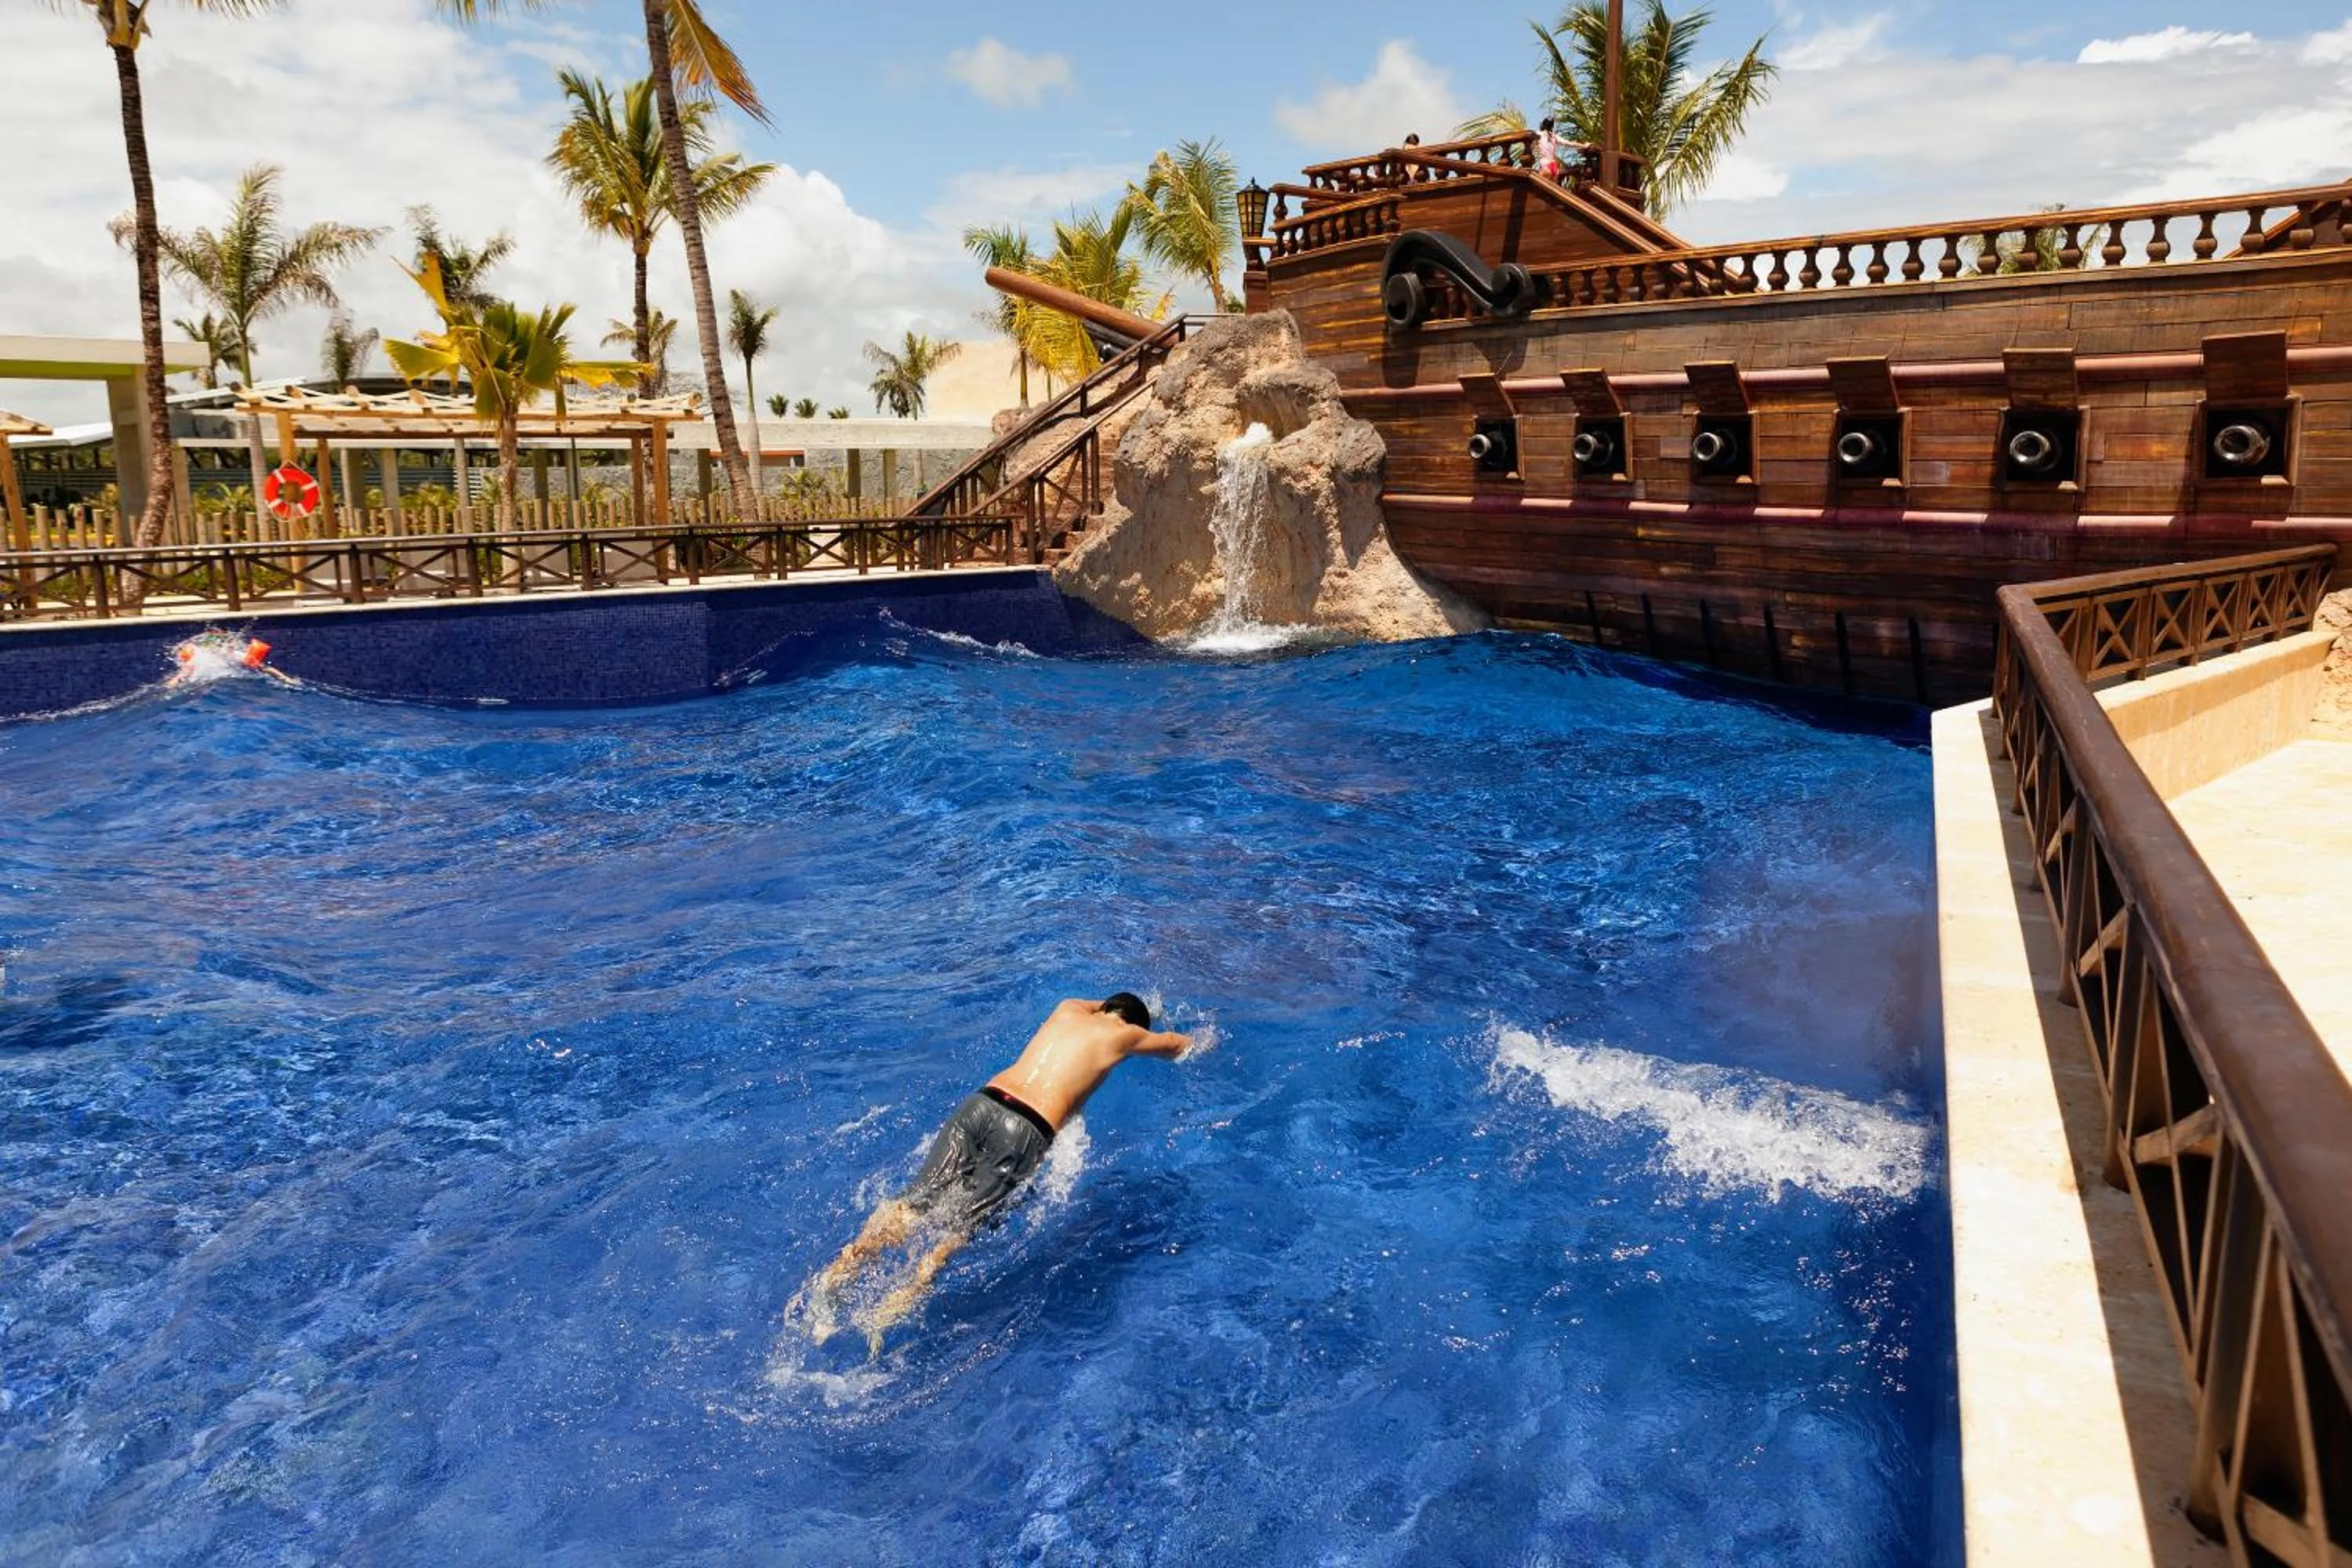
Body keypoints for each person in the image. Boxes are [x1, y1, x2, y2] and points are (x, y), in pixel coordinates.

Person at [808, 994, 1192, 1346]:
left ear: (1105, 1008)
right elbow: (1177, 1045)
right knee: (960, 1228)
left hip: (982, 1104)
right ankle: (894, 1306)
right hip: (1025, 1128)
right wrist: (1205, 1041)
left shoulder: (1067, 1009)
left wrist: (1145, 1007)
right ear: (1133, 1025)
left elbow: (1097, 1007)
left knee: (913, 1203)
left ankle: (840, 1271)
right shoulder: (1125, 1038)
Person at [1534, 117, 1566, 182]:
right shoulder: (1551, 136)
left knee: (1541, 186)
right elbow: (1569, 143)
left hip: (1548, 165)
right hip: (1552, 166)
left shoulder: (1542, 135)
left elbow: (1568, 143)